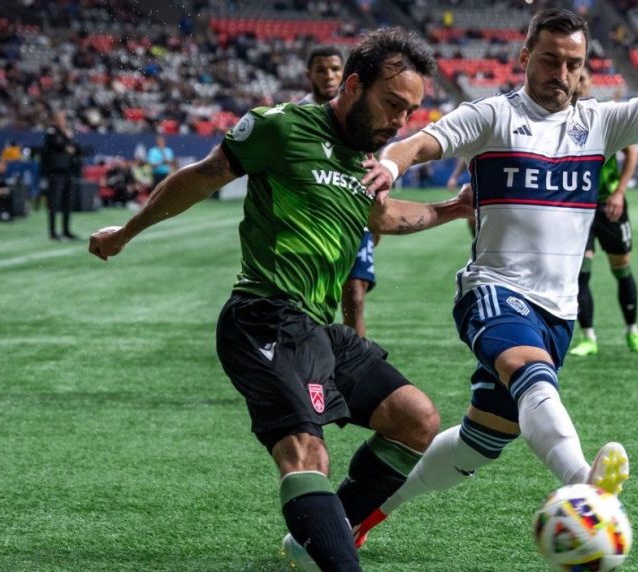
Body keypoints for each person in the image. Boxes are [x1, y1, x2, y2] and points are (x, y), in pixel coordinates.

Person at [353, 6, 638, 542]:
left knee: (480, 441)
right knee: (530, 372)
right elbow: (424, 142)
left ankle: (359, 517)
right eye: (548, 60)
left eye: (572, 63)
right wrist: (393, 165)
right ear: (524, 57)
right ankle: (585, 484)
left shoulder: (599, 123)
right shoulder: (493, 115)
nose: (559, 75)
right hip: (495, 290)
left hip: (557, 313)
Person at [88, 29, 473, 572]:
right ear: (354, 85)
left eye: (409, 112)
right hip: (263, 315)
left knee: (416, 419)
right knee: (306, 453)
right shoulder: (281, 127)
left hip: (317, 328)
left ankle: (315, 536)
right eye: (392, 105)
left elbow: (385, 218)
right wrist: (126, 232)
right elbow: (203, 177)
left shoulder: (364, 164)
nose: (398, 123)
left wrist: (452, 211)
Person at [298, 44, 379, 337]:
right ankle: (311, 365)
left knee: (355, 295)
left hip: (354, 215)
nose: (329, 76)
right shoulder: (299, 115)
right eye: (321, 69)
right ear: (309, 75)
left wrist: (377, 215)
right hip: (314, 219)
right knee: (313, 299)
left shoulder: (359, 114)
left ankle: (358, 373)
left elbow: (370, 166)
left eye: (335, 69)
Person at [568, 70, 638, 356]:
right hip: (578, 207)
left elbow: (632, 154)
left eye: (582, 78)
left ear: (590, 84)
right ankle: (588, 337)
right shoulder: (558, 118)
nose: (577, 83)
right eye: (575, 78)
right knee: (581, 272)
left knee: (622, 269)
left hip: (609, 205)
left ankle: (632, 331)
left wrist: (619, 192)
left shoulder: (604, 116)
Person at [41, 109, 80, 240]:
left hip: (67, 170)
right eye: (60, 118)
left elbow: (74, 147)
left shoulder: (66, 132)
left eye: (64, 118)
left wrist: (67, 143)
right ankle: (53, 232)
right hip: (55, 172)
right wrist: (66, 143)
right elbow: (57, 144)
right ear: (55, 119)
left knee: (67, 202)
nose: (63, 121)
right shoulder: (51, 131)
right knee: (54, 202)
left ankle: (66, 230)